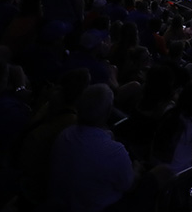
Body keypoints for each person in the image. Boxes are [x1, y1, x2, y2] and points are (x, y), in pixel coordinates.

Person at [47, 84, 134, 212]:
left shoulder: (65, 134)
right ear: (108, 111)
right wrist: (136, 171)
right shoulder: (115, 152)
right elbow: (127, 185)